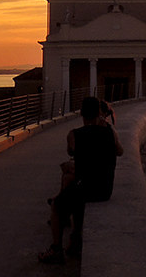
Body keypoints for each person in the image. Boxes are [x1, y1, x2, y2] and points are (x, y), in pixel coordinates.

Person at [40, 96, 123, 264]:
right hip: (105, 188)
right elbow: (120, 151)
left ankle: (56, 248)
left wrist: (70, 165)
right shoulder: (110, 131)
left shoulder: (74, 134)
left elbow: (72, 153)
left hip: (87, 186)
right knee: (75, 190)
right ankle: (75, 238)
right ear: (100, 112)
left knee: (57, 203)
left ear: (82, 113)